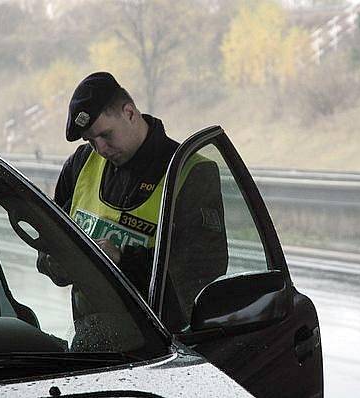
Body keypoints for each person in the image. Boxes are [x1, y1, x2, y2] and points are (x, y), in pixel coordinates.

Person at [38, 72, 228, 327]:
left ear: (129, 113)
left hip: (164, 348)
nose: (101, 149)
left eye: (105, 135)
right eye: (91, 141)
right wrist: (58, 263)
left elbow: (203, 267)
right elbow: (48, 241)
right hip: (92, 341)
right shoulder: (81, 164)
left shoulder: (189, 171)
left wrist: (121, 259)